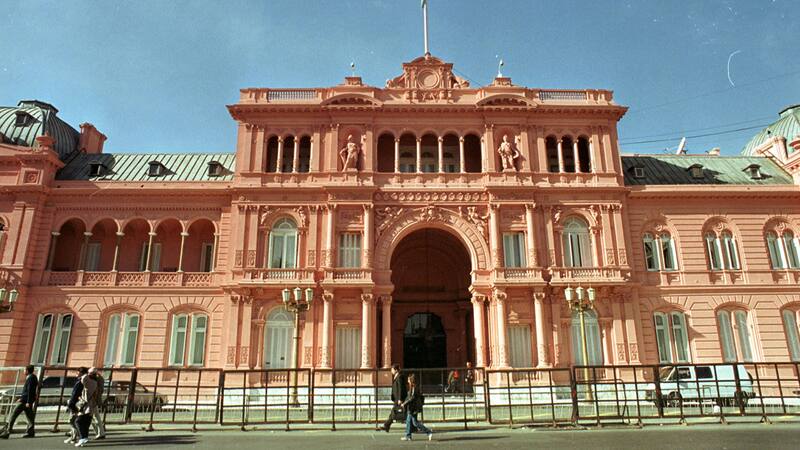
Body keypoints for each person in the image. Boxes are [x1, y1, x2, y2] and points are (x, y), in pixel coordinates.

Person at [0, 365, 39, 439]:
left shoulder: (30, 378)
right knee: (30, 417)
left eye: (25, 370)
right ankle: (30, 432)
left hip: (25, 401)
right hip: (26, 400)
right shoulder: (33, 377)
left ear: (27, 371)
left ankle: (7, 432)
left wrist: (27, 401)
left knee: (13, 415)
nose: (24, 371)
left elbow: (30, 390)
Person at [400, 374, 432, 442]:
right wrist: (404, 402)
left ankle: (428, 431)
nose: (407, 381)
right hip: (412, 407)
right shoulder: (412, 387)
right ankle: (408, 436)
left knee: (415, 423)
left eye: (408, 380)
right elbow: (409, 397)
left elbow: (412, 398)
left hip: (413, 408)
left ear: (411, 380)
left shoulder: (415, 388)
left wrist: (404, 403)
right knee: (409, 421)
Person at [74, 369, 99, 447]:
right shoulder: (95, 382)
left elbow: (84, 378)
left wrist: (86, 373)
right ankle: (84, 437)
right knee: (86, 422)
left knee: (78, 421)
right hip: (91, 404)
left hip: (85, 404)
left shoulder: (88, 381)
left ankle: (82, 438)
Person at [379, 364, 407, 432]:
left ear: (396, 370)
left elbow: (400, 388)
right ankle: (386, 426)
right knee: (394, 412)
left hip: (398, 398)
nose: (391, 371)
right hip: (397, 398)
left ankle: (386, 425)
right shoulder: (396, 376)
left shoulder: (399, 377)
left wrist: (400, 398)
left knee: (395, 412)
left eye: (392, 369)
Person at [65, 367, 88, 445]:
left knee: (73, 421)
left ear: (81, 373)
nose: (76, 373)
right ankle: (74, 437)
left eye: (78, 372)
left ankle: (77, 437)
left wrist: (71, 404)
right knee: (73, 421)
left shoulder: (81, 382)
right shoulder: (81, 381)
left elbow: (75, 394)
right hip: (76, 403)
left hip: (75, 404)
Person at [89, 368, 106, 440]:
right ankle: (100, 432)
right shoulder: (99, 378)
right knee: (94, 417)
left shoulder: (96, 379)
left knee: (94, 417)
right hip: (94, 400)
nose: (88, 374)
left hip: (93, 401)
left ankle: (100, 433)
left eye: (90, 373)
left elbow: (97, 391)